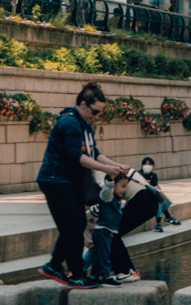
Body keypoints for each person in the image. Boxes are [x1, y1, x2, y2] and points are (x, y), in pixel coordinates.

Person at [37, 82, 138, 287]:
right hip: (55, 181)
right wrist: (105, 170)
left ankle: (54, 266)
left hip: (67, 182)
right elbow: (76, 156)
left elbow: (94, 153)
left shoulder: (85, 125)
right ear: (83, 104)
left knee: (75, 226)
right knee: (73, 228)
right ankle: (76, 274)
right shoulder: (70, 123)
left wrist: (114, 165)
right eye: (95, 111)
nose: (97, 116)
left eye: (100, 113)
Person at [88, 173, 133, 285]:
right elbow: (106, 193)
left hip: (108, 232)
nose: (125, 189)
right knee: (104, 254)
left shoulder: (118, 200)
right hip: (102, 230)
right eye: (122, 186)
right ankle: (105, 276)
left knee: (99, 254)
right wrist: (109, 183)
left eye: (126, 186)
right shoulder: (108, 196)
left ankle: (94, 276)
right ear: (114, 186)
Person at [138, 155, 180, 230]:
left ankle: (159, 223)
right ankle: (167, 217)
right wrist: (144, 183)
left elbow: (155, 186)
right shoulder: (139, 175)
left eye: (150, 164)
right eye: (146, 164)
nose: (147, 166)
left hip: (153, 196)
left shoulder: (154, 175)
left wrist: (155, 187)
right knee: (159, 197)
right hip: (143, 196)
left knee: (158, 199)